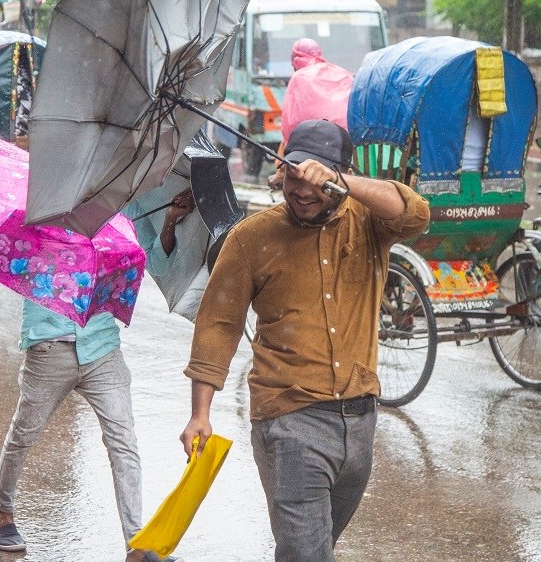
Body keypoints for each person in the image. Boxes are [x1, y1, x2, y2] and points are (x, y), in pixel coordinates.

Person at [181, 120, 430, 561]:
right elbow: (218, 323)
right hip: (289, 421)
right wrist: (200, 413)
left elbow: (415, 213)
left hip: (360, 420)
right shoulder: (251, 238)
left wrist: (342, 182)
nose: (301, 191)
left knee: (314, 548)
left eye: (315, 183)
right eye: (293, 178)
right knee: (307, 554)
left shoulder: (369, 224)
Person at [0, 143, 185, 562]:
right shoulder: (44, 203)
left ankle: (137, 541)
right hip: (50, 342)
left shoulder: (125, 212)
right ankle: (2, 512)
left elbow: (160, 267)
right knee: (24, 433)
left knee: (123, 441)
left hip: (102, 346)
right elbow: (14, 256)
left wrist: (169, 221)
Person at [280, 38, 353, 144]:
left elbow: (288, 123)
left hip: (310, 144)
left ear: (295, 59)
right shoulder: (343, 73)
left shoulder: (299, 77)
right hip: (345, 141)